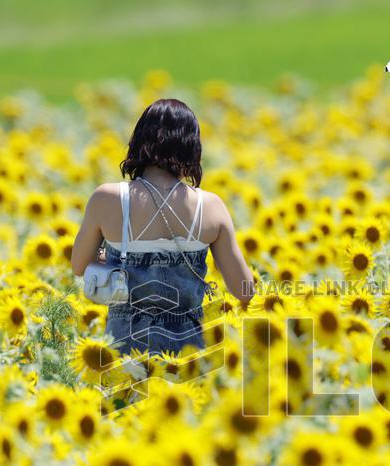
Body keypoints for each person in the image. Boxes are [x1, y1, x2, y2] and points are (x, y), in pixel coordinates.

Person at [71, 98, 254, 355]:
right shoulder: (211, 206)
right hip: (188, 356)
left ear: (139, 141)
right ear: (192, 147)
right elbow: (244, 290)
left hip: (125, 355)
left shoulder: (107, 199)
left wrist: (108, 257)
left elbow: (79, 266)